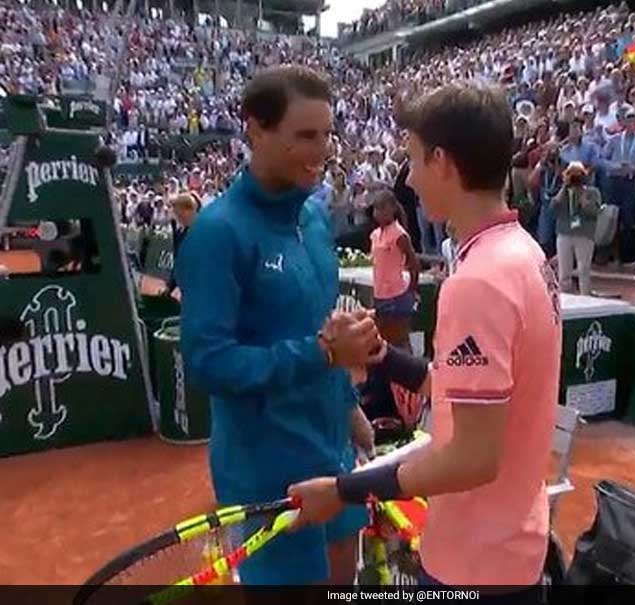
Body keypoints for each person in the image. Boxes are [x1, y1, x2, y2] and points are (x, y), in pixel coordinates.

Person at [288, 81, 563, 593]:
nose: (410, 178)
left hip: (474, 562)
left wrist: (344, 490)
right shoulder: (523, 252)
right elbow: (466, 397)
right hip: (505, 549)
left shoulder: (479, 280)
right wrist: (382, 356)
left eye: (413, 159)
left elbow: (472, 459)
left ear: (442, 161)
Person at [176, 66, 380, 586]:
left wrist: (349, 406)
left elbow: (320, 325)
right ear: (255, 130)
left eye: (327, 134)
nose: (322, 150)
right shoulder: (217, 233)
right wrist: (322, 353)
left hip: (333, 455)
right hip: (265, 472)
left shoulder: (313, 218)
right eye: (305, 136)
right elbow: (208, 362)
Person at [369, 189, 420, 349]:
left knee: (399, 340)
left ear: (392, 208)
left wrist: (411, 289)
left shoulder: (399, 234)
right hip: (380, 294)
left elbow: (413, 263)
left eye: (382, 208)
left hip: (397, 295)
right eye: (376, 209)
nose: (378, 213)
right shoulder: (375, 235)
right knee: (383, 341)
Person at [601, 107, 635, 261]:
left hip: (630, 183)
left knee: (627, 218)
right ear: (624, 122)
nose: (631, 123)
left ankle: (625, 256)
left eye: (633, 120)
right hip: (614, 182)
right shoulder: (614, 140)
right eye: (628, 119)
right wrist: (616, 167)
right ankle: (608, 254)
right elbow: (603, 160)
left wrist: (631, 168)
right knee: (610, 217)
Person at [552, 162, 602, 295]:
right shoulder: (562, 192)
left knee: (583, 268)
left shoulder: (592, 192)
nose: (575, 178)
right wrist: (564, 186)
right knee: (564, 270)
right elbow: (553, 208)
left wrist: (584, 199)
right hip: (564, 233)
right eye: (571, 174)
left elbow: (595, 212)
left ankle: (585, 295)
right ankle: (565, 296)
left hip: (584, 233)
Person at [160, 192, 200, 298]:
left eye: (180, 214)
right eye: (177, 214)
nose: (178, 217)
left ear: (190, 210)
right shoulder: (179, 233)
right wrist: (170, 287)